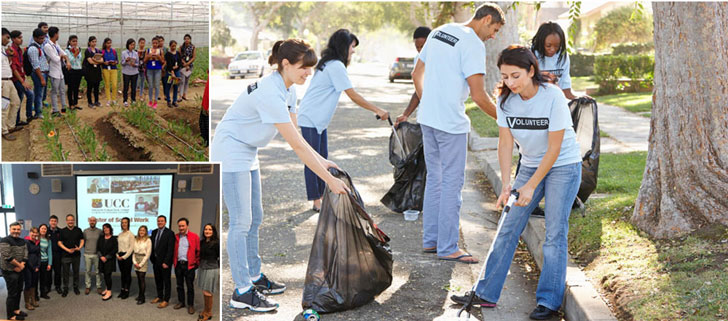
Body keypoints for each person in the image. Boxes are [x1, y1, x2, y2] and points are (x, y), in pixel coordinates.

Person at [211, 39, 349, 312]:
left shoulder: (288, 89)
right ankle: (241, 291)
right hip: (231, 150)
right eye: (303, 67)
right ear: (285, 64)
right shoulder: (270, 93)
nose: (308, 72)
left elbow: (298, 136)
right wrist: (328, 181)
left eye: (310, 67)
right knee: (241, 222)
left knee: (256, 217)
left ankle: (253, 276)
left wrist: (323, 161)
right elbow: (296, 146)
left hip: (248, 149)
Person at [451, 45, 582, 320]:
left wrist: (532, 185)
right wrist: (508, 183)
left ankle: (548, 302)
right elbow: (506, 142)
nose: (509, 82)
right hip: (531, 164)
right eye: (505, 76)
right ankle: (485, 293)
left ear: (531, 70)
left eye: (515, 75)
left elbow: (555, 148)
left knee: (554, 233)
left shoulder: (553, 97)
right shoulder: (505, 100)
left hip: (564, 166)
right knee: (507, 227)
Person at [410, 3, 504, 263]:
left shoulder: (440, 31)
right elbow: (479, 95)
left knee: (436, 180)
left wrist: (428, 101)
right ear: (486, 20)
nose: (493, 36)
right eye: (494, 29)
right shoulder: (473, 44)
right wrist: (505, 119)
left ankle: (432, 241)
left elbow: (416, 73)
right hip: (450, 124)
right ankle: (449, 246)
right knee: (452, 184)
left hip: (428, 119)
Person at [297, 29, 389, 212]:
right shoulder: (335, 66)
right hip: (311, 118)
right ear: (343, 46)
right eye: (352, 47)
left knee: (322, 159)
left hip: (316, 119)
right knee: (313, 160)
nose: (353, 51)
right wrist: (377, 109)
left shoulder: (330, 64)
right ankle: (317, 201)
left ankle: (321, 198)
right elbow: (352, 95)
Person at [531, 22, 580, 100]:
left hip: (555, 99)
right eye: (548, 46)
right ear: (541, 42)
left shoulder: (562, 56)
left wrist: (579, 98)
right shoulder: (531, 55)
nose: (553, 49)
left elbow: (566, 87)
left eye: (557, 46)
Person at [393, 26, 431, 127]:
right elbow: (419, 90)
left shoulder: (441, 59)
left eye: (422, 47)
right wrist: (405, 114)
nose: (420, 51)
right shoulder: (418, 59)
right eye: (417, 47)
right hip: (425, 117)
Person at [1, 222, 28, 320]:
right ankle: (10, 315)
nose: (16, 231)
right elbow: (7, 256)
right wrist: (19, 265)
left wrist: (22, 265)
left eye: (18, 229)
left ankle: (16, 310)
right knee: (12, 293)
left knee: (19, 290)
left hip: (20, 269)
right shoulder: (4, 240)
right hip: (9, 270)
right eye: (14, 229)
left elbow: (26, 254)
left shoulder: (23, 241)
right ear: (10, 229)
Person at [173, 218, 200, 315]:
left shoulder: (194, 237)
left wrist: (195, 264)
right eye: (179, 226)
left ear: (187, 226)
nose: (181, 228)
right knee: (179, 285)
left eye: (183, 226)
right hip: (179, 265)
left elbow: (198, 251)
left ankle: (190, 305)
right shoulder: (176, 237)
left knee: (190, 286)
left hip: (189, 266)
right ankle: (181, 302)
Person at [43, 26, 70, 116]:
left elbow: (64, 53)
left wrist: (65, 58)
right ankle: (55, 110)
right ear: (55, 34)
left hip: (60, 72)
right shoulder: (47, 46)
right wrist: (62, 56)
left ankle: (64, 108)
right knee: (54, 92)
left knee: (62, 90)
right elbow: (55, 59)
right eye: (58, 33)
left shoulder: (56, 44)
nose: (59, 35)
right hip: (54, 72)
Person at [9, 30, 34, 126]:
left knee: (19, 98)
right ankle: (29, 116)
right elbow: (14, 68)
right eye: (19, 38)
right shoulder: (12, 50)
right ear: (13, 39)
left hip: (21, 77)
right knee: (30, 94)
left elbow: (20, 66)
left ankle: (17, 121)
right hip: (17, 79)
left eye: (21, 37)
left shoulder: (19, 50)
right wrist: (22, 82)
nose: (21, 39)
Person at [150, 215, 175, 308]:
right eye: (158, 221)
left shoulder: (170, 233)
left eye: (162, 221)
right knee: (158, 280)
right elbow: (152, 246)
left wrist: (167, 262)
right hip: (155, 261)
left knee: (166, 281)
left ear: (165, 222)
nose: (160, 222)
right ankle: (159, 296)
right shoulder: (154, 232)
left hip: (165, 262)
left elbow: (170, 249)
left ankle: (166, 299)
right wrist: (152, 259)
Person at [2, 28, 22, 141]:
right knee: (4, 107)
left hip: (9, 80)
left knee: (16, 102)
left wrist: (9, 56)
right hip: (2, 82)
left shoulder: (4, 49)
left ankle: (10, 126)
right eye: (7, 37)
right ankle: (4, 130)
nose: (8, 40)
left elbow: (7, 64)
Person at [58, 214, 84, 296]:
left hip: (76, 255)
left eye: (72, 220)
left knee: (76, 272)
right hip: (65, 255)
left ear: (74, 221)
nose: (70, 221)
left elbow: (82, 240)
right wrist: (67, 250)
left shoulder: (78, 230)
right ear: (66, 221)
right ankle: (65, 288)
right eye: (69, 220)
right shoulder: (62, 231)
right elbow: (59, 242)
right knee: (65, 273)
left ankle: (76, 287)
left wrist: (79, 248)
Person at [197, 224, 219, 321]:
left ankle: (208, 313)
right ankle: (205, 310)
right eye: (206, 229)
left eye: (210, 229)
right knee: (204, 290)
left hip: (211, 268)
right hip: (202, 267)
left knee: (208, 291)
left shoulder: (216, 243)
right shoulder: (202, 242)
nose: (207, 231)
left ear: (213, 231)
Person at [82, 216, 103, 295]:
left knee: (98, 272)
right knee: (87, 271)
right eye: (91, 220)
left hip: (97, 255)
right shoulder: (85, 231)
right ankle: (88, 286)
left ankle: (99, 286)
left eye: (94, 220)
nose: (92, 222)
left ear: (96, 221)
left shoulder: (100, 231)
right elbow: (83, 242)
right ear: (89, 221)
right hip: (87, 254)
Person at [97, 223, 117, 301]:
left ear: (110, 229)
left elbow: (115, 249)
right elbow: (98, 248)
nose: (106, 229)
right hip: (102, 260)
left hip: (109, 260)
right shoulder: (101, 238)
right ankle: (107, 288)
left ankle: (109, 292)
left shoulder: (113, 239)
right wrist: (101, 256)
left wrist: (106, 257)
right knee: (104, 275)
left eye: (107, 228)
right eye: (104, 228)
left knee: (108, 275)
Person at [132, 225, 152, 305]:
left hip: (143, 259)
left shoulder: (148, 240)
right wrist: (135, 262)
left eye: (143, 230)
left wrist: (141, 264)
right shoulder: (136, 239)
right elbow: (133, 252)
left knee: (142, 279)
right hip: (136, 259)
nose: (141, 232)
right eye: (140, 230)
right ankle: (140, 295)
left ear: (146, 232)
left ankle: (142, 297)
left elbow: (148, 254)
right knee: (138, 279)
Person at [116, 217, 135, 299]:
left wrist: (124, 257)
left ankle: (127, 291)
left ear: (128, 223)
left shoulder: (131, 234)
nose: (124, 224)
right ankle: (122, 289)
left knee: (127, 274)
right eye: (122, 222)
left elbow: (131, 248)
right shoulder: (120, 234)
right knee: (122, 274)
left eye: (125, 222)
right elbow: (118, 246)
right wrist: (117, 255)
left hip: (127, 256)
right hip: (119, 255)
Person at [64, 35, 84, 111]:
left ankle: (76, 103)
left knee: (76, 88)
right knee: (70, 88)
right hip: (71, 70)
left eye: (76, 41)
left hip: (78, 69)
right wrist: (75, 54)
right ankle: (71, 104)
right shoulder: (67, 50)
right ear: (69, 42)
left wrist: (77, 53)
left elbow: (80, 59)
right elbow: (70, 60)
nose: (75, 43)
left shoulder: (79, 49)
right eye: (73, 41)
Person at [23, 227, 40, 311]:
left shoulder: (37, 242)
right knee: (28, 284)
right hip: (28, 267)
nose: (34, 234)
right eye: (33, 232)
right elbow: (26, 256)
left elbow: (38, 254)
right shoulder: (26, 241)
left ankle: (33, 300)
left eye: (36, 233)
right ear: (30, 232)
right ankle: (27, 303)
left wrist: (38, 266)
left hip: (36, 267)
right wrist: (33, 267)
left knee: (34, 284)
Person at [83, 36, 102, 108]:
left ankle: (96, 101)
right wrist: (97, 61)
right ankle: (90, 102)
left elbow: (102, 60)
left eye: (95, 41)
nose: (94, 43)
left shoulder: (98, 51)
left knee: (97, 87)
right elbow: (90, 62)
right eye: (92, 42)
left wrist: (95, 61)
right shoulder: (87, 51)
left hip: (97, 71)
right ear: (89, 42)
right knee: (90, 87)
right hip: (90, 72)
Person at [144, 36, 163, 109]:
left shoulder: (160, 51)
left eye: (156, 43)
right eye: (153, 43)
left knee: (157, 85)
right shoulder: (148, 50)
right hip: (150, 69)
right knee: (150, 85)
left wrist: (158, 57)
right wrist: (149, 56)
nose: (155, 44)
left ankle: (155, 101)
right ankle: (150, 100)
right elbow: (145, 60)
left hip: (158, 69)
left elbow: (163, 61)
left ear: (158, 44)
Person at [121, 38, 139, 106]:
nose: (132, 46)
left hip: (134, 72)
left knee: (133, 87)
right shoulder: (124, 53)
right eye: (131, 45)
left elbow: (138, 63)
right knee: (126, 87)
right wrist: (126, 60)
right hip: (126, 72)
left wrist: (135, 64)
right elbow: (122, 63)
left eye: (133, 45)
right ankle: (125, 100)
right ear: (128, 45)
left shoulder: (136, 53)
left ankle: (133, 100)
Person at [164, 40, 182, 108]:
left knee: (176, 86)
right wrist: (172, 71)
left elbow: (180, 61)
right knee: (168, 86)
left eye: (175, 46)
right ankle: (168, 100)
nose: (174, 47)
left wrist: (177, 66)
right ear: (170, 46)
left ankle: (174, 101)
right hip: (170, 72)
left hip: (177, 71)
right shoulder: (168, 54)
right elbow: (168, 64)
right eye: (172, 46)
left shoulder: (178, 53)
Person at [101, 38, 118, 106]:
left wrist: (115, 62)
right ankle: (108, 100)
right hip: (106, 69)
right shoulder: (102, 52)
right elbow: (101, 61)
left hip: (114, 69)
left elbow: (117, 60)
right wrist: (104, 63)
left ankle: (114, 99)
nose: (109, 44)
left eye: (110, 43)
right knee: (107, 85)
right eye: (108, 43)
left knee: (114, 84)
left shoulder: (113, 51)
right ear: (105, 44)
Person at [178, 34, 196, 102]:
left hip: (190, 66)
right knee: (182, 81)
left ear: (190, 39)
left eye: (188, 39)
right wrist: (185, 64)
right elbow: (179, 56)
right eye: (185, 39)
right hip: (182, 66)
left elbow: (194, 57)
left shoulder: (193, 47)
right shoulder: (181, 47)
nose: (186, 40)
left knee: (187, 81)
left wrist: (188, 64)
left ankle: (184, 95)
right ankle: (180, 95)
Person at [48, 215, 63, 294]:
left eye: (55, 221)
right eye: (52, 221)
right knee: (48, 272)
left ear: (57, 222)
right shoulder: (46, 231)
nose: (53, 222)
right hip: (48, 255)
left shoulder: (60, 231)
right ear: (49, 222)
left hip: (58, 255)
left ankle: (58, 286)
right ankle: (48, 286)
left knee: (58, 272)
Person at [38, 224, 53, 300]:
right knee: (35, 279)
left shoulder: (48, 240)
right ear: (39, 229)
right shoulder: (36, 238)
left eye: (45, 229)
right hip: (36, 262)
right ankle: (35, 295)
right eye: (42, 228)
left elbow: (49, 252)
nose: (43, 230)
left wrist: (49, 263)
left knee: (43, 279)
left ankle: (43, 293)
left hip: (45, 261)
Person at [200, 76, 209, 146]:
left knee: (205, 124)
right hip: (205, 102)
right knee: (202, 122)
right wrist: (202, 81)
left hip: (207, 104)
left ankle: (207, 142)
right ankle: (205, 141)